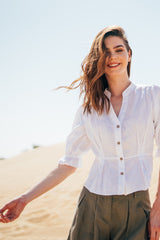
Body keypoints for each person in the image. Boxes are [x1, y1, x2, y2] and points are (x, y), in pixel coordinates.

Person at [0, 25, 160, 240]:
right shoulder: (89, 109)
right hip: (93, 206)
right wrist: (24, 199)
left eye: (118, 49)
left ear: (129, 55)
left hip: (137, 206)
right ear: (99, 59)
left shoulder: (151, 97)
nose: (113, 57)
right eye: (105, 52)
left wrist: (158, 208)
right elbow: (68, 164)